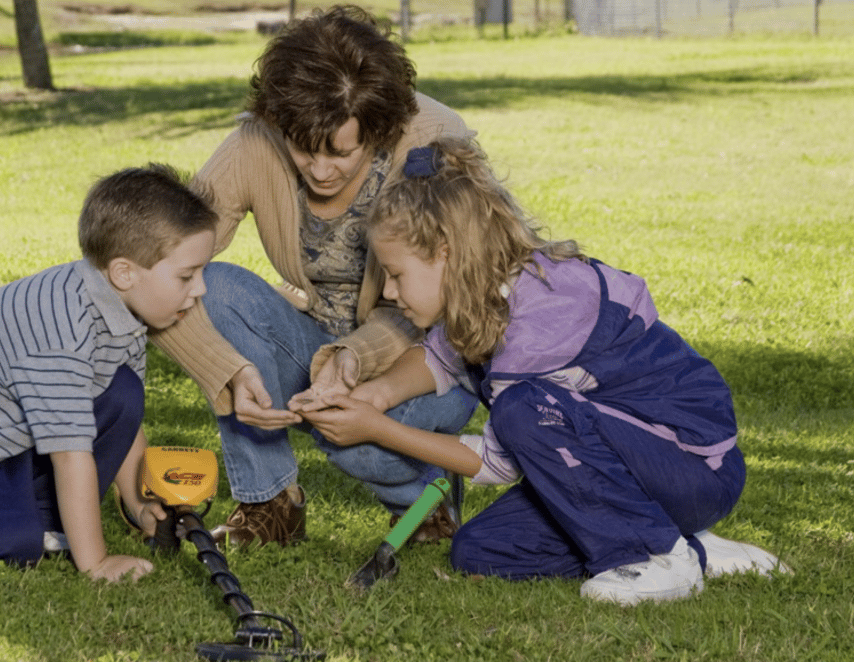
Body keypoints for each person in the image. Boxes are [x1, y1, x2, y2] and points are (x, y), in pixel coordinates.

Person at [298, 136, 789, 605]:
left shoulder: (540, 320)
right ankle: (693, 548)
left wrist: (377, 428)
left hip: (694, 467)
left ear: (445, 254)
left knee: (522, 409)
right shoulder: (487, 294)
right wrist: (375, 395)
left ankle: (657, 557)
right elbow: (439, 358)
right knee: (482, 550)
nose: (387, 292)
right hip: (639, 475)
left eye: (396, 274)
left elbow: (497, 463)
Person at [148, 5, 478, 547]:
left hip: (423, 358)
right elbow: (159, 265)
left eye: (341, 152)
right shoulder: (254, 143)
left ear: (378, 126)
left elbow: (454, 291)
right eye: (304, 149)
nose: (321, 170)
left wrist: (352, 360)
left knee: (357, 441)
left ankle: (423, 499)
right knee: (221, 288)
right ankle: (269, 503)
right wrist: (223, 370)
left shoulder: (435, 141)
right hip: (317, 343)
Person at [0, 164, 217, 582]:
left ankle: (47, 518)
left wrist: (137, 504)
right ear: (124, 272)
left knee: (124, 390)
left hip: (16, 442)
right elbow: (70, 452)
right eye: (188, 275)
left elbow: (125, 418)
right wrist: (96, 562)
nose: (201, 288)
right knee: (13, 545)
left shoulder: (123, 310)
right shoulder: (61, 332)